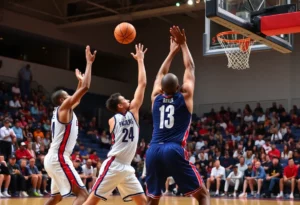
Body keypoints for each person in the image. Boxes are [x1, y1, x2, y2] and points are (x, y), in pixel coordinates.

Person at [145, 26, 209, 205]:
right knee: (202, 195)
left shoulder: (155, 98)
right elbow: (190, 67)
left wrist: (171, 53)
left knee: (152, 199)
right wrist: (183, 45)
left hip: (153, 150)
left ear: (162, 88)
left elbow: (160, 74)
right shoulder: (185, 96)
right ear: (178, 86)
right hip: (173, 149)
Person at [83, 43, 147, 205]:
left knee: (143, 202)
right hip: (114, 164)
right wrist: (140, 60)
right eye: (125, 99)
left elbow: (142, 85)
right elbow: (141, 85)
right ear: (120, 106)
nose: (128, 100)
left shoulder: (130, 113)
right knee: (91, 202)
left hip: (126, 167)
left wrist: (140, 60)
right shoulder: (118, 118)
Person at [44, 45, 96, 205]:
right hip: (59, 158)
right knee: (82, 195)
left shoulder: (62, 110)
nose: (71, 97)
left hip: (53, 158)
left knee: (56, 197)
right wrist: (89, 63)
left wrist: (79, 82)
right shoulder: (63, 108)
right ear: (62, 100)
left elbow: (78, 98)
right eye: (67, 96)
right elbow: (86, 88)